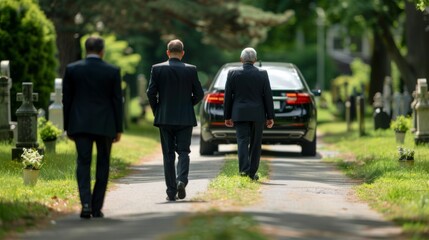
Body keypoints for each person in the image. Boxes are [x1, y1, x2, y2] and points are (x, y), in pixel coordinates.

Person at [63, 36, 123, 219]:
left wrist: (68, 127)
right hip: (105, 124)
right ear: (102, 50)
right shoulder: (112, 71)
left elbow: (67, 100)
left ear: (85, 49)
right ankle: (97, 208)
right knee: (103, 164)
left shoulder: (72, 70)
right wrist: (118, 128)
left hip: (80, 124)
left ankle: (86, 204)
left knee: (83, 163)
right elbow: (117, 101)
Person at [147, 39, 204, 201]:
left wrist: (157, 110)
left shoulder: (157, 69)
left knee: (168, 154)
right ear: (182, 53)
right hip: (185, 118)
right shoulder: (191, 70)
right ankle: (182, 180)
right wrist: (188, 104)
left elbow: (151, 93)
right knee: (184, 152)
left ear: (167, 52)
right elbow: (199, 94)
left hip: (164, 118)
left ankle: (171, 191)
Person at [223, 47, 274, 180]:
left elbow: (228, 96)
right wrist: (270, 116)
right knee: (256, 143)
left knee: (242, 141)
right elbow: (267, 96)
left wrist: (227, 116)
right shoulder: (262, 74)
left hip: (239, 114)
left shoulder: (232, 73)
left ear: (241, 59)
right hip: (258, 114)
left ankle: (244, 170)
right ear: (255, 60)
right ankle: (252, 172)